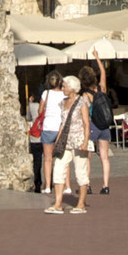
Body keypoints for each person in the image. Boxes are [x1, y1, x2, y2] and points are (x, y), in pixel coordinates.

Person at [46, 71, 92, 215]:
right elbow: (62, 123)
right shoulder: (63, 103)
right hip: (65, 142)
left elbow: (86, 124)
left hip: (78, 141)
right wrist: (57, 141)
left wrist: (85, 142)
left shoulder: (82, 102)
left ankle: (81, 204)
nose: (62, 88)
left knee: (80, 172)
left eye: (64, 86)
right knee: (58, 170)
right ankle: (58, 204)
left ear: (72, 88)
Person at [30, 73, 66, 194]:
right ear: (60, 82)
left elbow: (40, 111)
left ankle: (47, 186)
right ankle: (64, 185)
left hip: (48, 127)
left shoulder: (46, 93)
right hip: (60, 127)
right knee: (62, 158)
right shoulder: (64, 94)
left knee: (47, 158)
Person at [85, 60, 114, 195]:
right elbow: (103, 72)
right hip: (104, 126)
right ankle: (106, 185)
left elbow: (86, 113)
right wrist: (97, 59)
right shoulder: (102, 89)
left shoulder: (86, 95)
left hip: (93, 126)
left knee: (88, 158)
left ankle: (87, 185)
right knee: (104, 157)